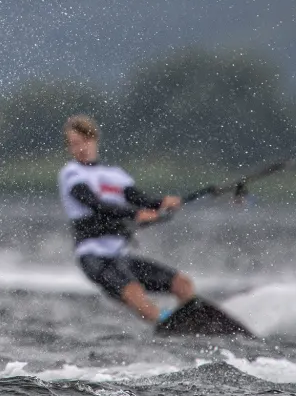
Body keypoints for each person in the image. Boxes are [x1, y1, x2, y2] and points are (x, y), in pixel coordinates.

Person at [57, 114, 196, 323]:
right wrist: (135, 214)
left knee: (182, 284)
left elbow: (141, 200)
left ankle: (195, 322)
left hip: (121, 256)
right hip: (94, 257)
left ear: (94, 140)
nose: (81, 148)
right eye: (75, 144)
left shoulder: (116, 175)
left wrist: (162, 204)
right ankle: (167, 325)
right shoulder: (71, 174)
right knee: (135, 293)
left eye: (85, 141)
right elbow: (96, 204)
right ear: (69, 148)